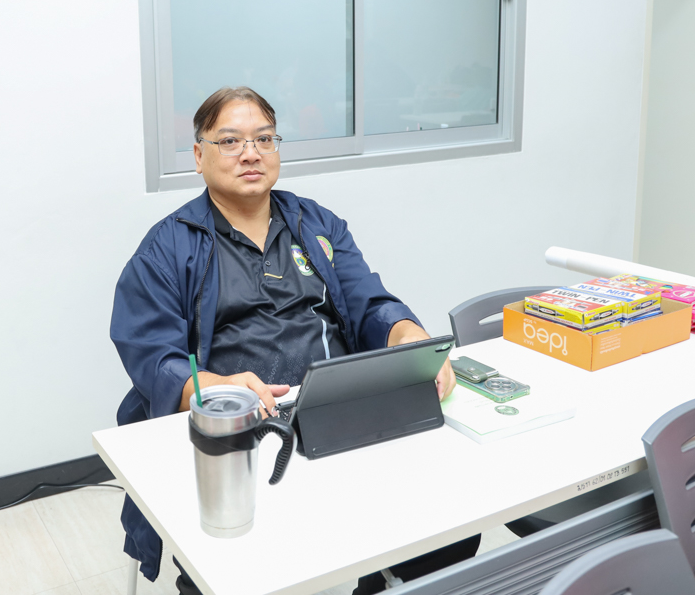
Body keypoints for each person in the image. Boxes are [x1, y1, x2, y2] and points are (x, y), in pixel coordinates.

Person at [110, 86, 475, 594]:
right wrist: (213, 388)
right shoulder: (167, 248)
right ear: (198, 155)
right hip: (240, 434)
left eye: (264, 139)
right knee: (235, 567)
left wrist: (405, 332)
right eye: (230, 141)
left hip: (333, 412)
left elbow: (368, 301)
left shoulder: (315, 224)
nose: (250, 153)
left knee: (451, 524)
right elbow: (153, 356)